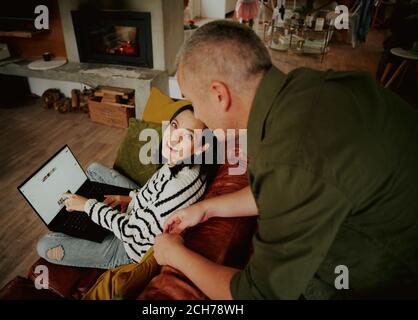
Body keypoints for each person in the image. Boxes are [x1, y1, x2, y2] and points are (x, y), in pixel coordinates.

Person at [154, 20, 418, 299]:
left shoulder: (289, 155)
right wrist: (207, 209)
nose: (199, 115)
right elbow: (291, 188)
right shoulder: (306, 85)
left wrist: (175, 255)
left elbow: (257, 295)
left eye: (193, 102)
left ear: (220, 95)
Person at [37, 105, 219, 268]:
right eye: (174, 126)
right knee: (94, 169)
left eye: (187, 136)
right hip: (138, 212)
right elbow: (155, 190)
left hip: (128, 247)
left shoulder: (178, 187)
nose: (173, 139)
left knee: (44, 245)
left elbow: (133, 234)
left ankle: (83, 216)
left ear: (202, 147)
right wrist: (129, 197)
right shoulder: (187, 161)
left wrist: (87, 206)